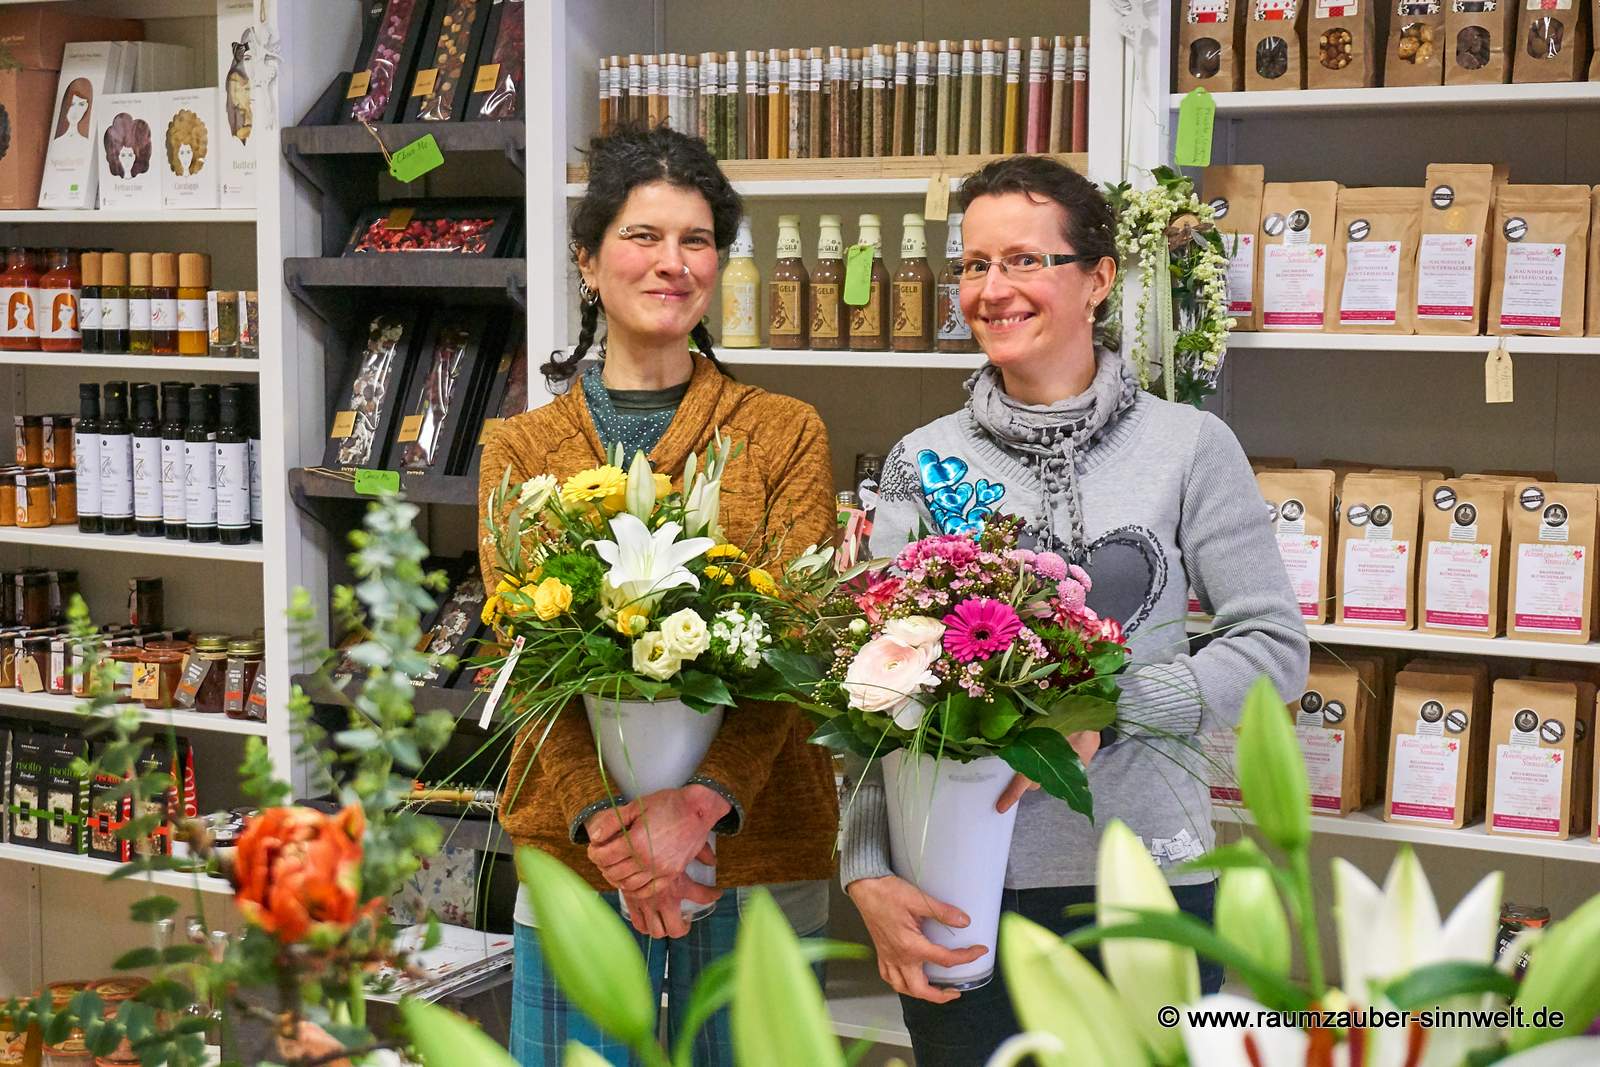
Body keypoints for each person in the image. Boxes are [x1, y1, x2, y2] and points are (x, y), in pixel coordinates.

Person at [839, 155, 1311, 1066]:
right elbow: (868, 691)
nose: (992, 289)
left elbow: (1273, 646)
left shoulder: (1189, 446)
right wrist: (869, 875)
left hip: (1149, 884)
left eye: (1022, 260)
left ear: (1097, 280)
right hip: (960, 892)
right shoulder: (919, 461)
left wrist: (1107, 714)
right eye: (974, 265)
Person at [476, 124, 839, 1067]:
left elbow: (799, 650)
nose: (672, 263)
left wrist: (699, 806)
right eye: (643, 236)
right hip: (578, 857)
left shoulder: (782, 433)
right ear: (589, 262)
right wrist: (609, 826)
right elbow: (531, 666)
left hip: (755, 851)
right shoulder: (520, 449)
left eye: (697, 240)